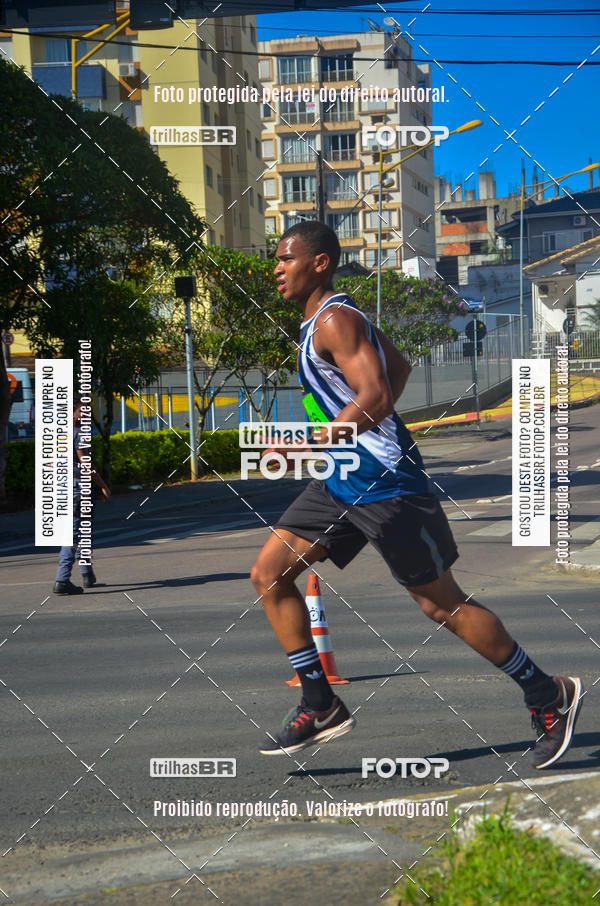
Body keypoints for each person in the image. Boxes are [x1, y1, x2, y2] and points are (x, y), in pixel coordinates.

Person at [251, 221, 582, 770]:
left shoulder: (336, 319)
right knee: (270, 574)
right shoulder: (321, 322)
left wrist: (313, 442)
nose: (276, 269)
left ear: (320, 263)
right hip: (341, 479)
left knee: (440, 603)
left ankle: (548, 695)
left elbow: (377, 391)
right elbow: (398, 371)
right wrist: (342, 442)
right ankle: (320, 701)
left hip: (384, 483)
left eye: (286, 259)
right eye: (276, 261)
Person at [53, 398, 110, 595]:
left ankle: (87, 574)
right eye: (81, 412)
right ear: (71, 413)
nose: (85, 416)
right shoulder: (80, 434)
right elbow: (86, 462)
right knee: (73, 534)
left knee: (82, 531)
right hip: (78, 488)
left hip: (63, 486)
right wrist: (102, 486)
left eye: (87, 412)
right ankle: (62, 580)